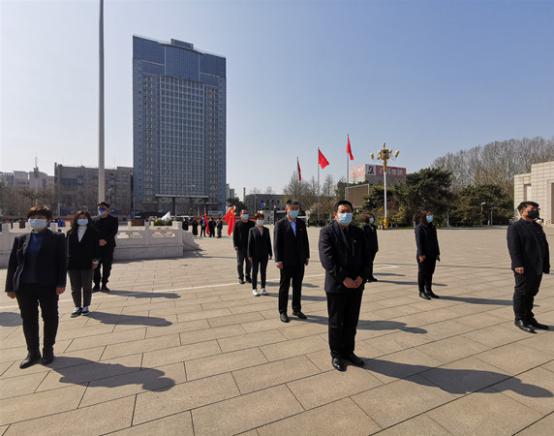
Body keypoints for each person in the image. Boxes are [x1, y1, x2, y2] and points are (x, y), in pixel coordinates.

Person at [5, 205, 66, 368]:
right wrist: (10, 287)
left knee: (50, 317)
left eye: (40, 218)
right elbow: (13, 264)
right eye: (33, 217)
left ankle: (48, 349)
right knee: (28, 319)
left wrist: (61, 283)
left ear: (48, 220)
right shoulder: (21, 239)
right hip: (24, 286)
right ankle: (32, 352)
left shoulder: (57, 238)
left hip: (48, 285)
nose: (36, 220)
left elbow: (62, 262)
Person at [319, 200, 370, 371]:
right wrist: (344, 278)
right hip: (337, 286)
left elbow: (367, 257)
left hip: (356, 285)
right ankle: (336, 354)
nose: (346, 214)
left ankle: (349, 352)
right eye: (342, 211)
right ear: (335, 214)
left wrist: (362, 277)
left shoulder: (358, 232)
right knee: (336, 323)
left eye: (349, 211)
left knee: (351, 321)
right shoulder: (327, 232)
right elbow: (327, 260)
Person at [507, 201, 550, 333]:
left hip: (537, 265)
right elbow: (514, 248)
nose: (535, 211)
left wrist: (546, 263)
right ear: (522, 211)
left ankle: (529, 317)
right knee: (522, 292)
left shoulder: (537, 226)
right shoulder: (515, 227)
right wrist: (517, 264)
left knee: (531, 292)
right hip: (524, 266)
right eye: (532, 209)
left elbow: (543, 245)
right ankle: (519, 319)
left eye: (536, 209)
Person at [274, 200, 310, 322]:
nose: (295, 211)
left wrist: (306, 256)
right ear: (287, 209)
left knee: (297, 286)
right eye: (292, 208)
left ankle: (296, 309)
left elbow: (305, 241)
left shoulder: (301, 223)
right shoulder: (280, 224)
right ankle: (282, 311)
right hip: (286, 261)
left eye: (296, 208)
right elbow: (277, 243)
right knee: (284, 287)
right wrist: (278, 260)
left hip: (299, 261)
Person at [67, 211, 100, 318]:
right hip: (72, 263)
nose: (82, 219)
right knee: (75, 286)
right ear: (76, 219)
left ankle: (85, 306)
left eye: (84, 217)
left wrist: (95, 261)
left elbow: (96, 248)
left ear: (88, 219)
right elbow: (67, 248)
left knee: (87, 286)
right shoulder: (70, 232)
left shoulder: (93, 232)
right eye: (80, 218)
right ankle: (77, 306)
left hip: (87, 262)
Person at [92, 201, 119, 292]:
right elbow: (92, 232)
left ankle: (104, 284)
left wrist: (105, 240)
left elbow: (113, 231)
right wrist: (98, 241)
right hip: (96, 247)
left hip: (108, 246)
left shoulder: (113, 219)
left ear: (108, 210)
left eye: (103, 208)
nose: (101, 210)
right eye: (100, 208)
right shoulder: (94, 219)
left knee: (107, 266)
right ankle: (96, 284)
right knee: (95, 266)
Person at [415, 210, 441, 300]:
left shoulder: (432, 227)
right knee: (422, 273)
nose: (431, 217)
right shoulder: (419, 227)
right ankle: (421, 291)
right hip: (423, 255)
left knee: (430, 273)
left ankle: (429, 290)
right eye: (429, 216)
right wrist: (421, 254)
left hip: (432, 254)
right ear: (424, 217)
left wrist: (437, 253)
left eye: (431, 216)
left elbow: (435, 241)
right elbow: (419, 242)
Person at [248, 212, 273, 296]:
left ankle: (263, 288)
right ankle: (254, 289)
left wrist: (270, 253)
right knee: (254, 272)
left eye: (262, 219)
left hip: (264, 254)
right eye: (259, 219)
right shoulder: (252, 230)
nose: (260, 220)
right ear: (256, 220)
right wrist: (249, 255)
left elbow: (268, 242)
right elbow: (250, 243)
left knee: (263, 271)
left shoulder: (266, 230)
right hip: (254, 255)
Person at [233, 209, 254, 284]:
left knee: (249, 263)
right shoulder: (237, 224)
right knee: (240, 264)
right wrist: (235, 245)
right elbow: (235, 235)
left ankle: (248, 277)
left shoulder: (252, 223)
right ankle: (241, 277)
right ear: (240, 215)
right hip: (240, 247)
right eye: (244, 213)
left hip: (249, 247)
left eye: (246, 213)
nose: (245, 215)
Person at [362, 213, 379, 282]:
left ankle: (370, 276)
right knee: (367, 263)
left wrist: (376, 246)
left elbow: (375, 238)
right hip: (367, 248)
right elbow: (363, 239)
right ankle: (365, 276)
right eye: (370, 217)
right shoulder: (364, 227)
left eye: (372, 217)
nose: (372, 219)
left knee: (371, 262)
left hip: (373, 248)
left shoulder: (373, 227)